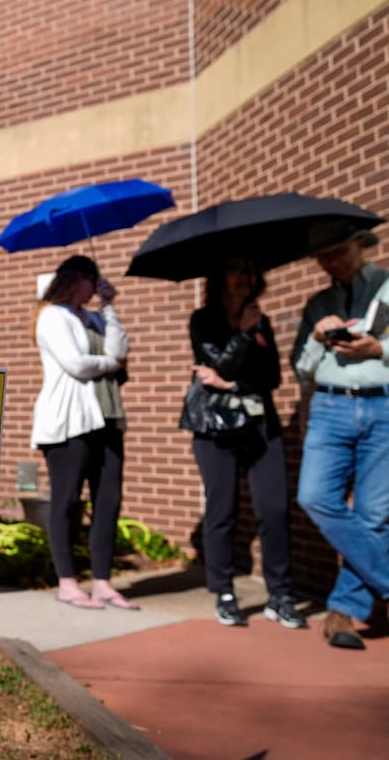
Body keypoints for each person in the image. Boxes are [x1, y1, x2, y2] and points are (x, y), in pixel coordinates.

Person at [184, 259, 305, 629]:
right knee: (223, 510)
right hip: (214, 426)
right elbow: (218, 364)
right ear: (220, 276)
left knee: (274, 508)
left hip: (258, 424)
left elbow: (271, 377)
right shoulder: (203, 320)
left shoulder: (260, 320)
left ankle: (280, 594)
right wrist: (242, 334)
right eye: (236, 269)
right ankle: (223, 591)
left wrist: (233, 383)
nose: (245, 278)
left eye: (251, 271)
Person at [292, 219, 389, 650]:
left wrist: (379, 349)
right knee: (314, 496)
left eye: (338, 251)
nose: (331, 262)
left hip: (383, 405)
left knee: (374, 515)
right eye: (323, 256)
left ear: (360, 244)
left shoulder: (387, 287)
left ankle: (342, 612)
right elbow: (301, 368)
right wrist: (316, 339)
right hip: (330, 407)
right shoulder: (317, 303)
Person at [31, 255, 135, 610]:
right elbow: (76, 364)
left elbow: (121, 349)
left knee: (108, 500)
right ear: (78, 279)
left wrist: (109, 307)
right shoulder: (51, 315)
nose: (99, 284)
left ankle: (103, 583)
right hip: (69, 421)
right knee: (68, 501)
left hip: (106, 417)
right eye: (95, 280)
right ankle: (67, 582)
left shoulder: (93, 316)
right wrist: (111, 365)